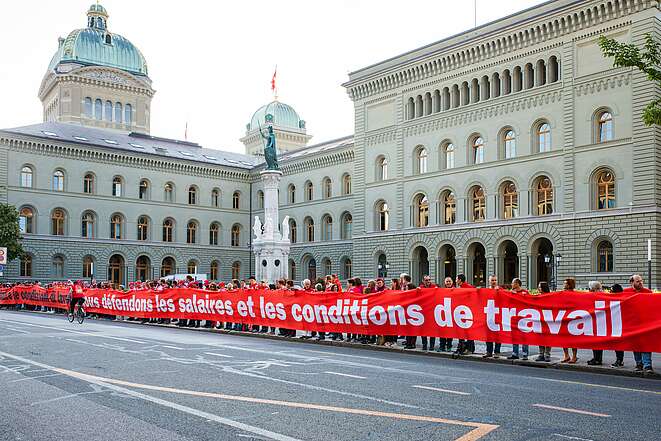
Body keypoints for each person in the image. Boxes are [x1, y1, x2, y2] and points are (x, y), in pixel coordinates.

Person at [625, 275, 654, 372]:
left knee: (646, 344)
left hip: (646, 323)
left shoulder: (648, 292)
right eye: (638, 281)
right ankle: (639, 364)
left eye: (641, 281)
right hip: (632, 323)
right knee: (636, 344)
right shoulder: (625, 292)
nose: (640, 283)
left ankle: (647, 365)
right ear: (632, 282)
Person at [507, 278, 530, 360]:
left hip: (523, 318)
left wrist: (515, 295)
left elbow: (527, 301)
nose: (511, 284)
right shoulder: (511, 292)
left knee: (524, 336)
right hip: (514, 317)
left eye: (513, 283)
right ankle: (515, 353)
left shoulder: (525, 292)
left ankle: (525, 354)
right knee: (514, 336)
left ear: (517, 284)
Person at [587, 281, 605, 366]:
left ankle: (598, 359)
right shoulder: (603, 294)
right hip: (597, 321)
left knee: (596, 342)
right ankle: (596, 358)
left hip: (599, 321)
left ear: (593, 289)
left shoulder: (599, 295)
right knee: (595, 341)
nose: (589, 290)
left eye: (589, 289)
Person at [561, 278, 579, 364]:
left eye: (565, 284)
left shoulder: (574, 294)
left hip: (572, 319)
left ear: (569, 285)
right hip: (563, 318)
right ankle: (566, 355)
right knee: (563, 338)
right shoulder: (562, 293)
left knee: (573, 340)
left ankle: (574, 356)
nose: (563, 285)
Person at [484, 275, 502, 358]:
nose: (494, 282)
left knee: (498, 335)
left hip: (498, 315)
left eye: (495, 280)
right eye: (492, 280)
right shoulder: (486, 291)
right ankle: (489, 351)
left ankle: (497, 352)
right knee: (488, 335)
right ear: (489, 281)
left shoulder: (500, 290)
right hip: (488, 315)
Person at [535, 281, 552, 362]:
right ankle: (541, 354)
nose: (538, 288)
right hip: (539, 320)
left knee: (547, 338)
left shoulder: (550, 297)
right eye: (538, 286)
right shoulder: (537, 297)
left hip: (548, 321)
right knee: (540, 338)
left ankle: (547, 355)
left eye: (540, 287)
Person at [437, 277, 455, 352]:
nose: (448, 283)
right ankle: (442, 346)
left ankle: (449, 346)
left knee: (450, 332)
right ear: (445, 283)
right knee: (442, 332)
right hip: (443, 314)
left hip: (451, 313)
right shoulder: (441, 291)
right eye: (447, 281)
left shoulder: (455, 290)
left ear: (452, 282)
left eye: (449, 281)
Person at [609, 283, 625, 367]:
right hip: (615, 323)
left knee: (619, 343)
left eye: (611, 291)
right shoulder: (611, 299)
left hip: (620, 324)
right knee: (616, 343)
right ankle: (619, 359)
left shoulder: (621, 299)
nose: (610, 292)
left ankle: (620, 360)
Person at [419, 275, 437, 351]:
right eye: (426, 280)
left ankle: (432, 345)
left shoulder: (434, 287)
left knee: (432, 330)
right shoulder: (421, 288)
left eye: (429, 280)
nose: (428, 281)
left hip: (432, 311)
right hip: (423, 312)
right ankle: (424, 344)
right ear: (423, 281)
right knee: (423, 330)